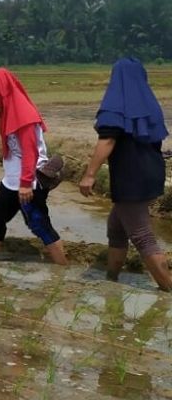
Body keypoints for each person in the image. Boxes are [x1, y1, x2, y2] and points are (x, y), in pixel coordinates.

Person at [77, 58, 172, 291]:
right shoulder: (149, 104)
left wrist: (90, 174)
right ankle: (112, 281)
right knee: (116, 228)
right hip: (152, 173)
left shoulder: (116, 105)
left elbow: (107, 139)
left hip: (131, 178)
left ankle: (168, 289)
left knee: (142, 236)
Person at [0, 68, 68, 264]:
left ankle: (62, 268)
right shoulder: (8, 112)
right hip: (11, 182)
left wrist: (24, 184)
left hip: (29, 184)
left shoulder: (24, 115)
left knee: (39, 224)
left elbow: (30, 153)